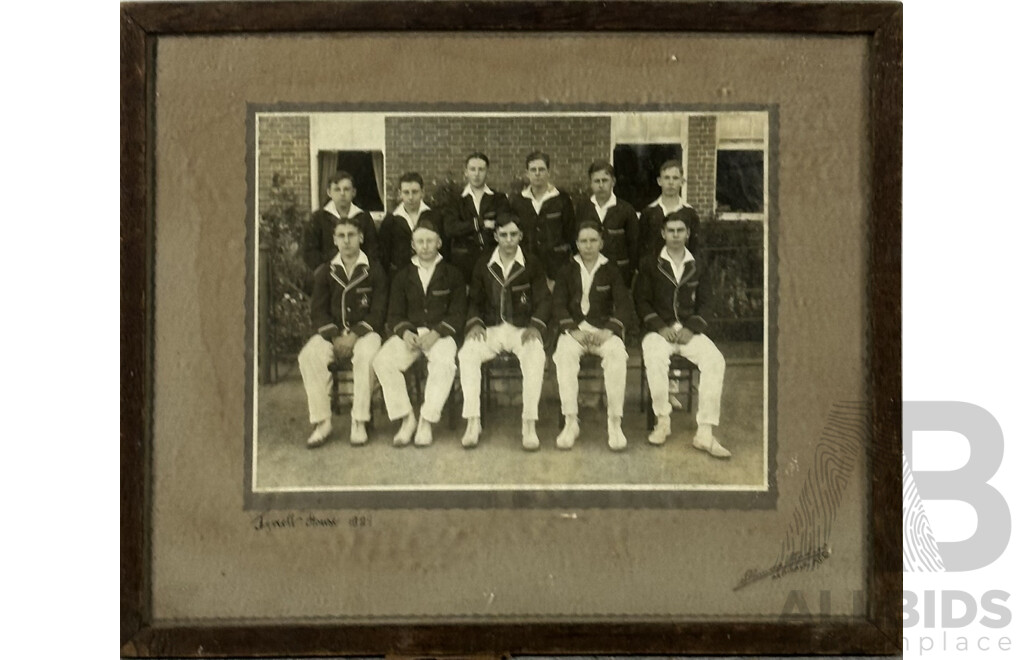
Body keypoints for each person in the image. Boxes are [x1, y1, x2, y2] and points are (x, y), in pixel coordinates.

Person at [634, 210, 730, 458]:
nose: (675, 235)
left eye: (680, 231)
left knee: (715, 360)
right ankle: (662, 420)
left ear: (688, 234)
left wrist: (691, 328)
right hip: (659, 331)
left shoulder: (698, 264)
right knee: (654, 358)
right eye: (671, 231)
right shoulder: (649, 263)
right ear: (663, 233)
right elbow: (641, 301)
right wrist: (660, 327)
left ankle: (705, 432)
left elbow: (707, 303)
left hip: (688, 330)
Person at [458, 213, 551, 450]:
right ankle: (472, 421)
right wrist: (475, 323)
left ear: (520, 236)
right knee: (467, 354)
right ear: (495, 236)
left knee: (535, 356)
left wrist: (536, 325)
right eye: (503, 235)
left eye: (513, 235)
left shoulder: (533, 262)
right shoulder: (483, 263)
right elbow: (474, 301)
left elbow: (543, 300)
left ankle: (529, 424)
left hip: (521, 330)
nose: (509, 240)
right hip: (491, 329)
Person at [372, 219, 466, 447]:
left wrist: (437, 332)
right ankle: (407, 418)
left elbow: (458, 313)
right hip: (411, 334)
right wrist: (405, 333)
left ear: (439, 243)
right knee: (383, 361)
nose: (425, 246)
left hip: (440, 335)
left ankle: (426, 420)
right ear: (413, 245)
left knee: (444, 363)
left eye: (430, 241)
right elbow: (394, 315)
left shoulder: (453, 274)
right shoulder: (403, 276)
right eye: (420, 241)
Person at [297, 217, 387, 448]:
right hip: (334, 334)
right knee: (308, 355)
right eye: (341, 236)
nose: (347, 241)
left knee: (366, 356)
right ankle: (322, 421)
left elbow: (378, 312)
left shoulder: (374, 269)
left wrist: (354, 335)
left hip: (365, 333)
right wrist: (335, 337)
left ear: (361, 238)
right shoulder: (326, 271)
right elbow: (318, 311)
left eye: (351, 235)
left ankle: (359, 419)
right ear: (335, 240)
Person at [551, 220, 638, 451]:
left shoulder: (612, 270)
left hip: (604, 330)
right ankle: (571, 421)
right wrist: (572, 329)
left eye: (593, 240)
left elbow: (623, 305)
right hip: (575, 330)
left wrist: (609, 330)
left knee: (617, 355)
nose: (588, 246)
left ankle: (615, 423)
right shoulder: (566, 270)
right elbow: (558, 304)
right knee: (564, 355)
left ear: (601, 242)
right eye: (583, 241)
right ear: (576, 244)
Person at [508, 151, 576, 285]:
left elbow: (571, 233)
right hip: (527, 266)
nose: (537, 173)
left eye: (541, 169)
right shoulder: (517, 201)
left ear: (549, 172)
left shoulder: (562, 199)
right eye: (533, 170)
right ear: (527, 173)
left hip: (557, 268)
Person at [443, 152, 510, 283]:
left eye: (481, 169)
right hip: (463, 263)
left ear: (487, 172)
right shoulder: (456, 200)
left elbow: (503, 223)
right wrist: (480, 223)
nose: (476, 173)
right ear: (466, 172)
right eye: (472, 169)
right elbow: (450, 228)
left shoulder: (498, 199)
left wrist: (465, 226)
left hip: (492, 259)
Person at [575, 160, 640, 285]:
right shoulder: (583, 208)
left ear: (613, 182)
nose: (600, 185)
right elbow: (576, 239)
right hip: (589, 274)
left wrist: (630, 273)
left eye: (604, 180)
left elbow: (634, 245)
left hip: (619, 274)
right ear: (591, 184)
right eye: (596, 181)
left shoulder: (626, 209)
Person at [302, 170, 380, 273]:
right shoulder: (318, 218)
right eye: (337, 189)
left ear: (353, 192)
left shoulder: (363, 218)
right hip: (328, 274)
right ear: (329, 192)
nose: (342, 194)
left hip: (359, 273)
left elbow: (373, 250)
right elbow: (309, 252)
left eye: (346, 189)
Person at [377, 172, 441, 274]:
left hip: (430, 274)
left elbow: (443, 249)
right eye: (406, 192)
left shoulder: (434, 217)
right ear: (400, 193)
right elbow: (383, 256)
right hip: (400, 277)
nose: (410, 197)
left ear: (422, 192)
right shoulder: (391, 220)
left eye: (415, 192)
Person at [638, 160, 700, 259]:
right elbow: (641, 247)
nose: (671, 182)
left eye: (675, 178)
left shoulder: (690, 213)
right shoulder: (648, 212)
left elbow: (695, 248)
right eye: (666, 178)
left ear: (682, 182)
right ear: (659, 181)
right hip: (653, 270)